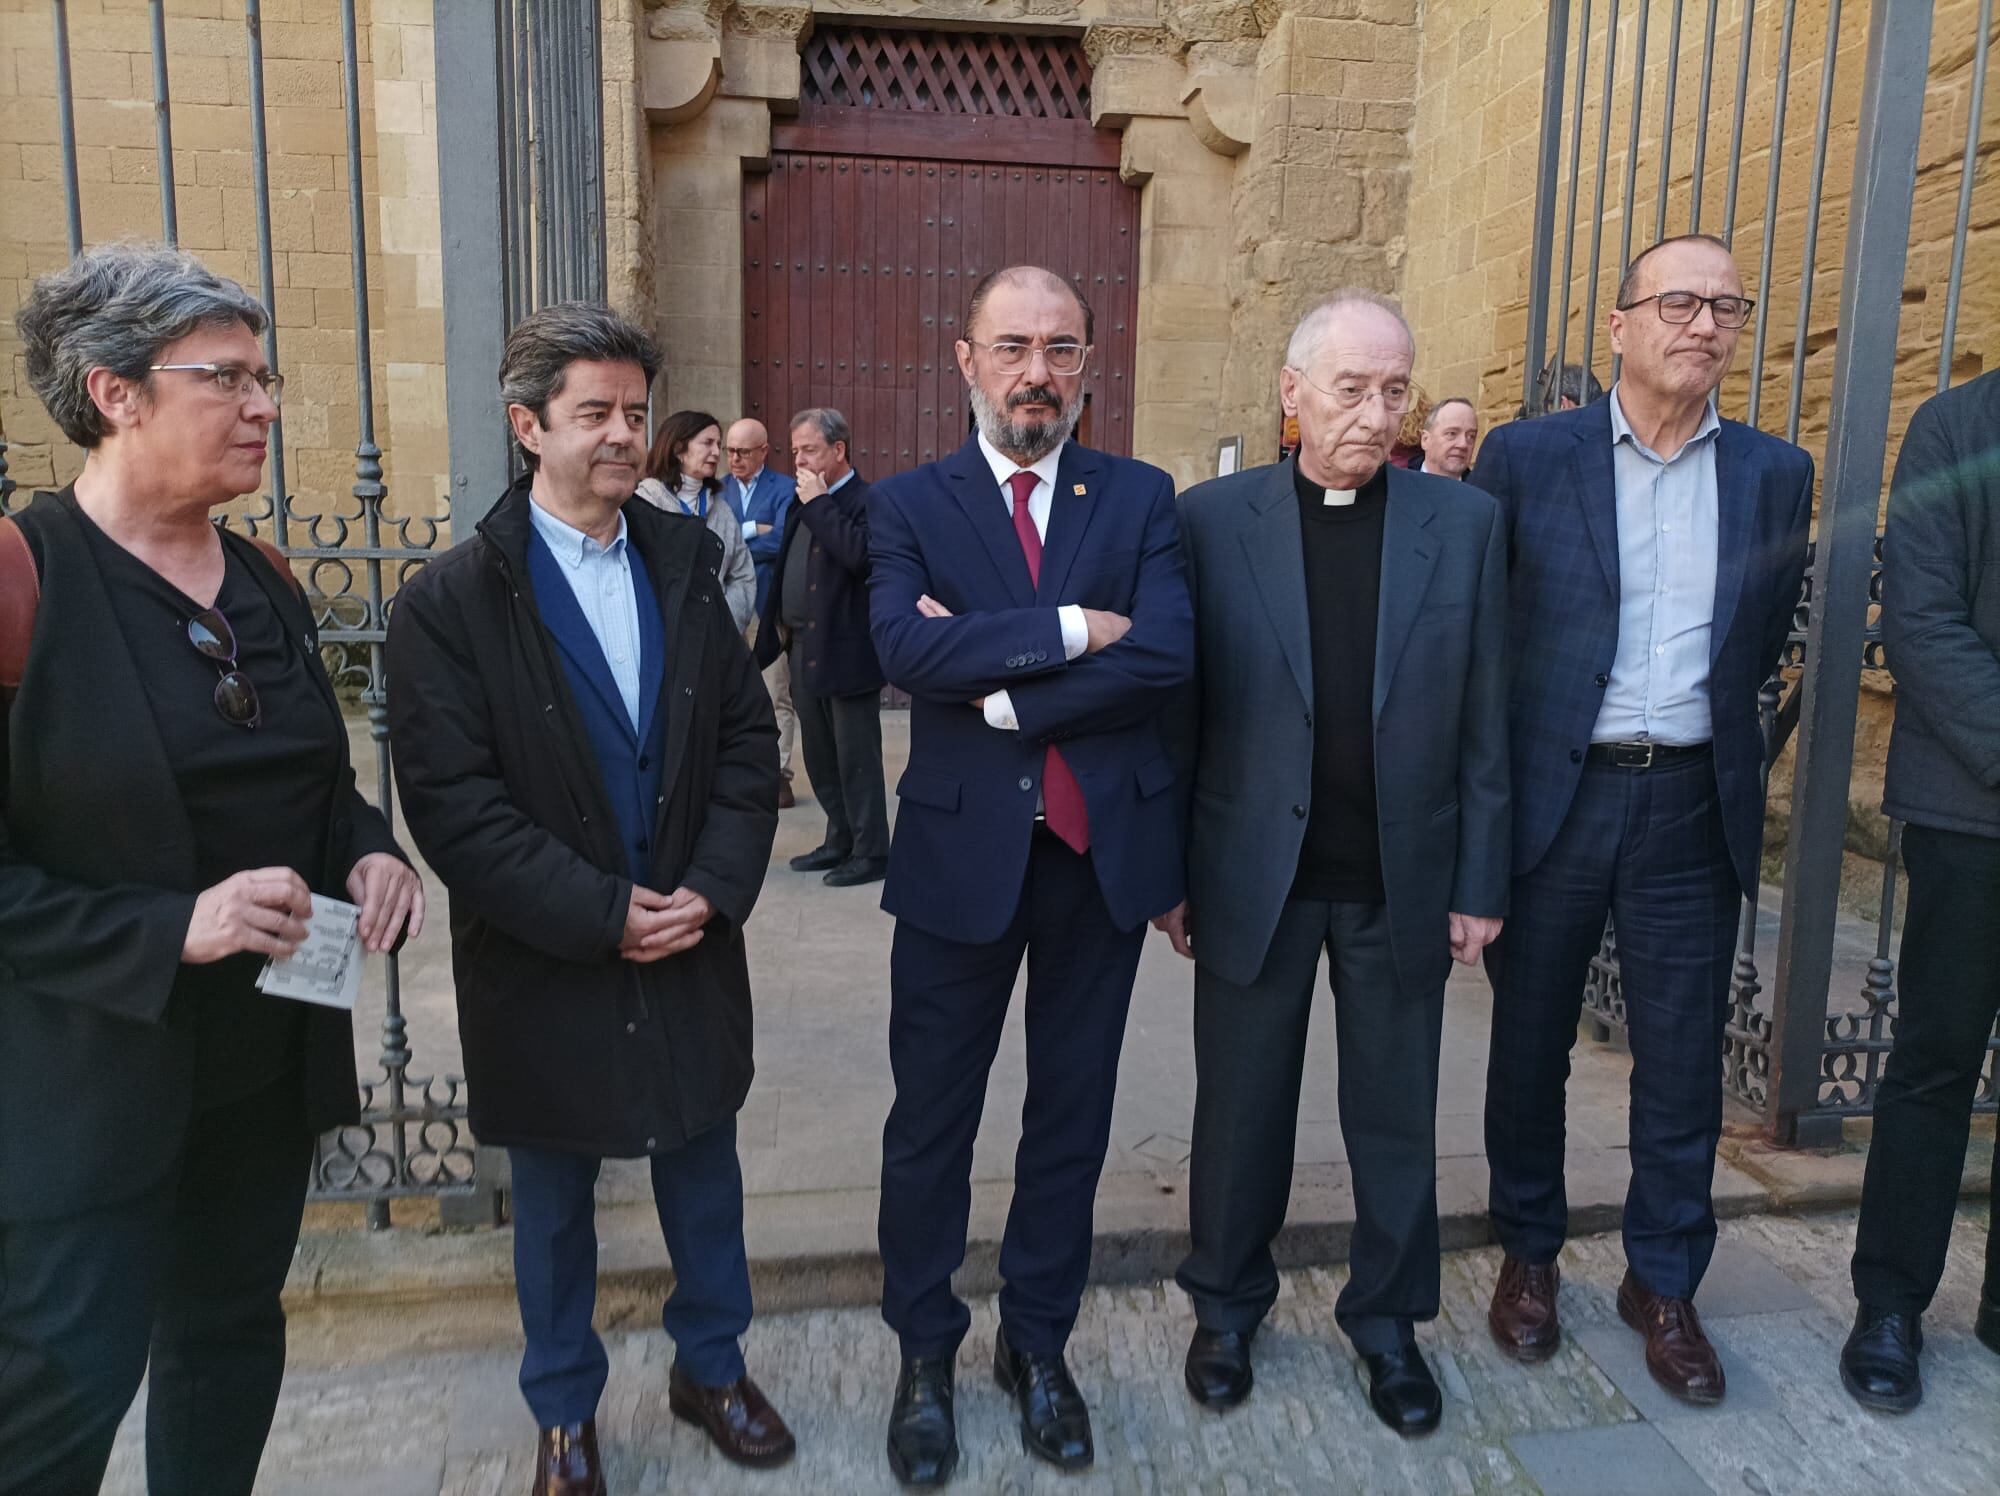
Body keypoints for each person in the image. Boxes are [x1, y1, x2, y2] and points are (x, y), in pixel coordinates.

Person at [0, 242, 422, 1494]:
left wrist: (371, 847)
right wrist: (168, 925)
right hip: (87, 1077)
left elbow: (311, 785)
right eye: (226, 377)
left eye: (266, 375)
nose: (266, 406)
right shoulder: (24, 580)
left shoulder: (264, 577)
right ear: (113, 391)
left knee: (229, 1336)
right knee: (64, 1376)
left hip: (260, 1064)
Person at [387, 302, 793, 1491]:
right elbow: (455, 809)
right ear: (527, 426)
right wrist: (601, 911)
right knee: (555, 1200)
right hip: (545, 956)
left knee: (700, 1166)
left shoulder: (681, 563)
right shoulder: (451, 602)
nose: (623, 434)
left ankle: (710, 1365)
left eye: (632, 411)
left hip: (688, 938)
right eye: (593, 414)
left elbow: (739, 742)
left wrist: (710, 891)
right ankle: (563, 1409)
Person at [1159, 290, 1508, 1436]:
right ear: (1290, 392)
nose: (1373, 410)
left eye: (1393, 388)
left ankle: (1390, 1324)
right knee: (1240, 1111)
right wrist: (1170, 873)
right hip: (1253, 872)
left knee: (1396, 1115)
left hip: (1400, 876)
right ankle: (1223, 1306)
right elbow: (1178, 712)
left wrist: (1479, 882)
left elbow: (1485, 718)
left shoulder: (1459, 525)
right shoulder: (1209, 521)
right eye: (1349, 387)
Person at [1471, 233, 1812, 1405]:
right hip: (1553, 797)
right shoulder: (1525, 458)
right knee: (1527, 1046)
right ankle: (1527, 1252)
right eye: (1676, 301)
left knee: (1678, 1059)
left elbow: (1758, 642)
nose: (1701, 324)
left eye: (1725, 305)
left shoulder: (1773, 472)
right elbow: (1484, 638)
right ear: (1617, 324)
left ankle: (1661, 1282)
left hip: (1685, 799)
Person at [866, 265, 1193, 1485]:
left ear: (1087, 364)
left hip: (1092, 860)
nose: (1035, 372)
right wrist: (1070, 629)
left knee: (1069, 1120)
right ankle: (923, 1356)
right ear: (965, 359)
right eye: (1011, 346)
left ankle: (1036, 1345)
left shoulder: (1140, 496)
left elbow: (1164, 652)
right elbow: (899, 644)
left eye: (1060, 348)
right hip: (958, 862)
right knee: (929, 1125)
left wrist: (997, 683)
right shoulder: (908, 504)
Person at [1841, 366, 2000, 1412]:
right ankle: (1889, 1301)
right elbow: (1922, 622)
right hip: (1971, 807)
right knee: (1937, 1058)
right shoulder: (1955, 425)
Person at [754, 407, 889, 887]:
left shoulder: (867, 500)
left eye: (809, 450)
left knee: (856, 757)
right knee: (820, 755)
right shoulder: (802, 501)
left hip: (847, 649)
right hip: (802, 646)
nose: (799, 460)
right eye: (794, 451)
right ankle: (840, 839)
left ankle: (872, 851)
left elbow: (861, 556)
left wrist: (819, 503)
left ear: (839, 450)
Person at [723, 417, 799, 807]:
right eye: (730, 450)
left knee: (774, 692)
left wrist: (735, 537)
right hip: (725, 608)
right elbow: (707, 541)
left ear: (764, 451)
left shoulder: (786, 488)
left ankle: (780, 775)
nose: (734, 458)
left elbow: (784, 540)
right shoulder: (715, 490)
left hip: (766, 608)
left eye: (743, 452)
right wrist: (755, 528)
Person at [636, 408, 758, 632]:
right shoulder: (645, 503)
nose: (715, 452)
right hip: (662, 636)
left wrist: (724, 623)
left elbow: (742, 573)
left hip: (714, 642)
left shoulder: (722, 511)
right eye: (707, 443)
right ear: (678, 449)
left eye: (717, 445)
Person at [1418, 396, 1479, 479]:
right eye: (1452, 434)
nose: (1463, 444)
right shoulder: (1398, 485)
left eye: (1471, 436)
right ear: (1425, 440)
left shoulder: (1481, 490)